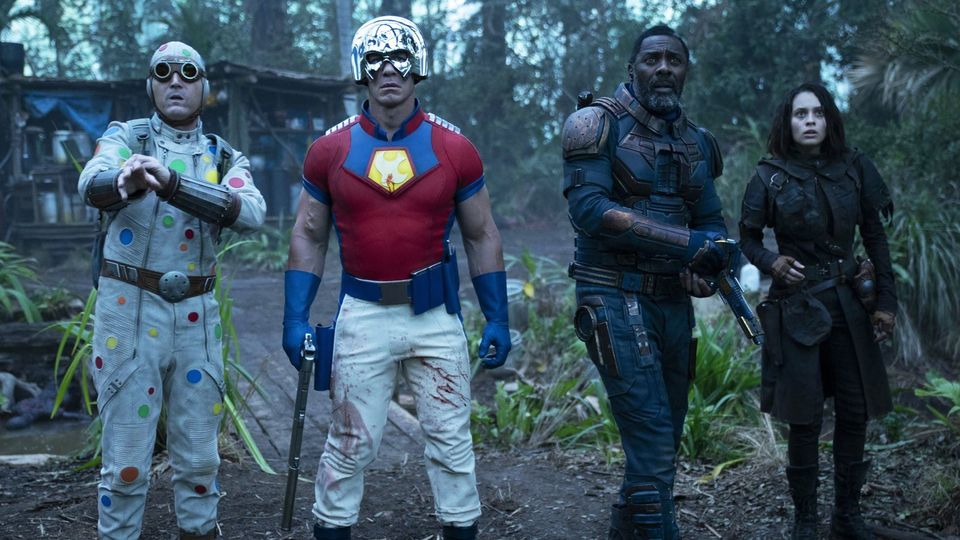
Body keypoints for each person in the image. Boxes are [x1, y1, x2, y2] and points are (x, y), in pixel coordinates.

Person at [282, 16, 511, 540]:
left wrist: (498, 317)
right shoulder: (329, 150)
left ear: (418, 67)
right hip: (361, 315)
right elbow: (309, 235)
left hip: (436, 315)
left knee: (452, 442)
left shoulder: (455, 148)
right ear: (361, 70)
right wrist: (294, 318)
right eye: (376, 59)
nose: (388, 69)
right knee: (349, 442)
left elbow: (481, 234)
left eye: (400, 58)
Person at [78, 41, 266, 539]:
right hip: (128, 308)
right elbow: (91, 182)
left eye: (188, 72)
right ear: (150, 85)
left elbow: (251, 211)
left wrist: (173, 184)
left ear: (205, 87)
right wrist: (126, 180)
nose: (175, 81)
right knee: (126, 457)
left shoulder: (222, 155)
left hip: (196, 315)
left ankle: (199, 532)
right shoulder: (127, 137)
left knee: (201, 454)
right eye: (163, 72)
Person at [561, 24, 729, 539]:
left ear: (686, 71)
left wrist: (706, 267)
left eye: (673, 61)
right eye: (652, 59)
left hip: (672, 301)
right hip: (611, 294)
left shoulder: (698, 142)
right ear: (632, 67)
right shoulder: (594, 124)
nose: (663, 68)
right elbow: (589, 210)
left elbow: (711, 222)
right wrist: (688, 245)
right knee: (652, 435)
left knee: (665, 434)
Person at [739, 82, 896, 540]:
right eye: (800, 114)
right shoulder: (768, 176)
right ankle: (805, 522)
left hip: (849, 303)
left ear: (829, 119)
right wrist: (771, 262)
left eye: (818, 113)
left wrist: (886, 303)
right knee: (804, 418)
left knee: (854, 410)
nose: (809, 121)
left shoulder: (855, 167)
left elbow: (875, 237)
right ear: (787, 122)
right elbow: (747, 238)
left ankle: (846, 517)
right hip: (797, 307)